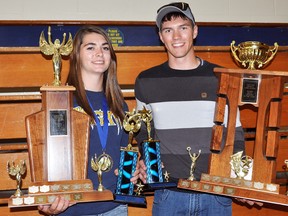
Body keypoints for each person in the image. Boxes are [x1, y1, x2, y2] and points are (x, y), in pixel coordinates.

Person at [135, 2, 260, 215]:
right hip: (168, 195)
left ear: (195, 31)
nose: (176, 36)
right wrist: (145, 163)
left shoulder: (221, 77)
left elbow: (235, 134)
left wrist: (240, 178)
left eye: (183, 27)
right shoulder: (146, 80)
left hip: (216, 194)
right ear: (161, 36)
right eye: (168, 30)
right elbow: (143, 133)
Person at [38, 25, 138, 216]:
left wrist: (130, 172)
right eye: (90, 47)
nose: (99, 53)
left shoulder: (119, 104)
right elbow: (48, 155)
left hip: (114, 206)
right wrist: (47, 197)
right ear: (77, 55)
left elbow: (125, 150)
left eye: (105, 47)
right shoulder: (61, 101)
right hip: (72, 208)